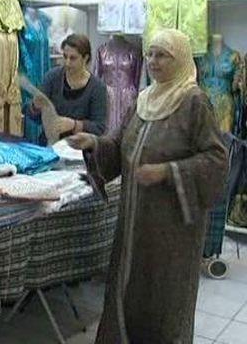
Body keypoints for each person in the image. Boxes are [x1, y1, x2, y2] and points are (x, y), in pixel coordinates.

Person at [67, 28, 228, 343]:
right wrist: (95, 143)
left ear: (180, 58)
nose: (153, 61)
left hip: (172, 231)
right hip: (134, 223)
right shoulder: (145, 98)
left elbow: (216, 160)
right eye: (150, 54)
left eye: (162, 55)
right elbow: (120, 140)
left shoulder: (194, 101)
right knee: (129, 287)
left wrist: (168, 172)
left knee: (162, 297)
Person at [28, 33, 107, 144]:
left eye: (73, 58)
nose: (67, 63)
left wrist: (74, 125)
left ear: (85, 58)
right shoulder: (52, 77)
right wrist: (35, 107)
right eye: (65, 57)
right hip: (50, 146)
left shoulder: (97, 88)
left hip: (80, 150)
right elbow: (33, 118)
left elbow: (99, 128)